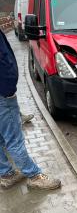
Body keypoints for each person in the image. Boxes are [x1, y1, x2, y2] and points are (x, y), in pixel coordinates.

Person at [0, 29, 61, 189]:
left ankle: (6, 173)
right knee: (13, 139)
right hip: (2, 95)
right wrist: (8, 90)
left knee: (1, 138)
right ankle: (34, 176)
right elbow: (3, 61)